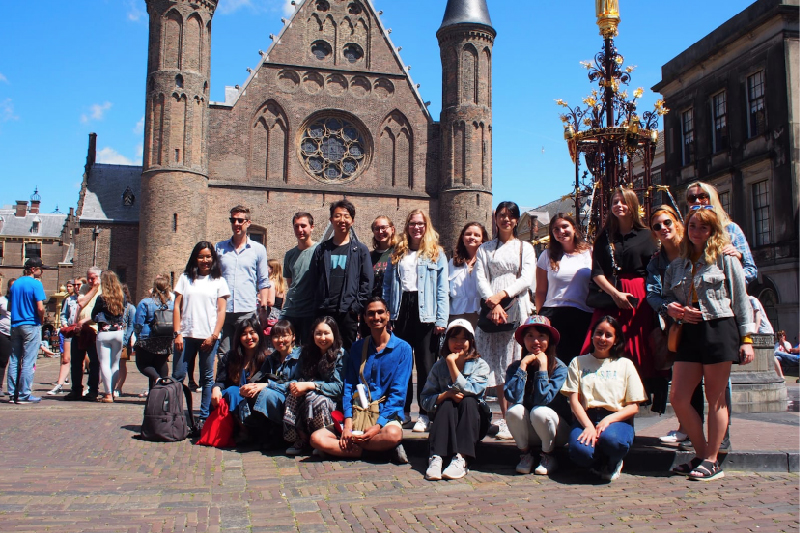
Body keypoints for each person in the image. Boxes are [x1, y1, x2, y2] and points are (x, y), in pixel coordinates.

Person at [664, 207, 755, 481]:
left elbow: (740, 298)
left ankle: (713, 460)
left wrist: (747, 339)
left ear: (713, 230)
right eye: (692, 226)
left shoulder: (725, 259)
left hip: (718, 327)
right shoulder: (677, 264)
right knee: (678, 397)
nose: (696, 231)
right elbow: (667, 295)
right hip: (689, 331)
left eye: (703, 227)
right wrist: (674, 309)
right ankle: (703, 454)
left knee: (715, 398)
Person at [309, 297, 412, 463]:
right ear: (364, 318)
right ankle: (374, 451)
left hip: (385, 418)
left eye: (380, 312)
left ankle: (349, 449)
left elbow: (398, 394)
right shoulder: (358, 347)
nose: (376, 317)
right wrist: (348, 425)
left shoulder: (403, 348)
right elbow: (348, 386)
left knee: (393, 435)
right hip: (357, 414)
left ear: (388, 315)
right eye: (371, 313)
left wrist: (377, 426)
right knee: (316, 438)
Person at [474, 201, 536, 440]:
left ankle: (517, 416)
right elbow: (480, 277)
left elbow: (526, 278)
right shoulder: (485, 248)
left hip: (515, 304)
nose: (506, 220)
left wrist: (502, 296)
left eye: (511, 216)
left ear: (516, 220)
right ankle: (505, 414)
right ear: (495, 218)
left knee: (514, 359)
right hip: (491, 307)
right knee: (497, 363)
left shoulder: (525, 247)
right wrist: (492, 302)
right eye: (502, 215)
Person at [384, 210, 449, 433]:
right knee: (401, 366)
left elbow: (442, 289)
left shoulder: (436, 253)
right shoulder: (398, 251)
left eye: (421, 224)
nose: (416, 227)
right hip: (401, 310)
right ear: (407, 226)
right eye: (413, 223)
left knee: (425, 367)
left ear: (426, 226)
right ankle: (401, 412)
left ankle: (424, 413)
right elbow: (387, 286)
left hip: (426, 314)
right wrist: (387, 315)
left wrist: (441, 319)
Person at [582, 187, 658, 381]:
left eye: (623, 202)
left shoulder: (647, 235)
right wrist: (615, 294)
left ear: (632, 205)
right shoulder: (603, 238)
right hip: (610, 293)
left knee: (635, 340)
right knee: (601, 336)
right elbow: (597, 273)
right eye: (615, 202)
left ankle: (637, 387)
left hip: (637, 293)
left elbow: (654, 269)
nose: (618, 206)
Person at [562, 316, 647, 482]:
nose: (602, 338)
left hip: (616, 419)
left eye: (608, 335)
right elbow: (574, 401)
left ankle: (614, 461)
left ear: (616, 340)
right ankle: (599, 462)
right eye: (599, 333)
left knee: (613, 441)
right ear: (592, 335)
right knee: (580, 452)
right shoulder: (578, 362)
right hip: (586, 418)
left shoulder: (625, 364)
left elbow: (634, 407)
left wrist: (609, 419)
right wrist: (588, 426)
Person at [420, 319, 489, 480]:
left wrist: (451, 364)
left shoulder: (481, 365)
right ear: (447, 341)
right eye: (454, 338)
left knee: (468, 400)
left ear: (471, 341)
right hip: (446, 420)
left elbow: (471, 391)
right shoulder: (439, 366)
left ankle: (462, 458)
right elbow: (425, 399)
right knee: (447, 400)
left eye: (463, 338)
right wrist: (445, 395)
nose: (458, 343)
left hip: (473, 420)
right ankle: (436, 458)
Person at [173, 241, 231, 429]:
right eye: (201, 256)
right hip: (186, 335)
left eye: (208, 256)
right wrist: (177, 333)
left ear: (213, 258)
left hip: (208, 336)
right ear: (195, 258)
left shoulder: (219, 281)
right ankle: (175, 414)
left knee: (207, 378)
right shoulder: (185, 278)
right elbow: (176, 307)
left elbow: (221, 311)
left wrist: (214, 335)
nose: (205, 260)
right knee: (178, 376)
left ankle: (203, 418)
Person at [644, 206, 690, 441]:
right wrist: (666, 307)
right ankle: (686, 429)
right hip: (676, 325)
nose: (663, 228)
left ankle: (719, 435)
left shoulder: (693, 249)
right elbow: (652, 294)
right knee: (682, 379)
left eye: (667, 223)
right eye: (657, 226)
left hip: (702, 320)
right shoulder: (656, 263)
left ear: (677, 223)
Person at [505, 315, 570, 476]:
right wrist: (523, 367)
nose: (536, 341)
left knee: (539, 411)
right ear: (523, 340)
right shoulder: (516, 367)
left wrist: (542, 367)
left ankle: (548, 456)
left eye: (541, 336)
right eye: (530, 336)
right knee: (514, 411)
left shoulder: (559, 368)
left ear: (549, 340)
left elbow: (543, 400)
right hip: (531, 430)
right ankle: (525, 454)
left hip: (557, 431)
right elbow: (513, 397)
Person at [309, 199, 373, 349]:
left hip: (347, 313)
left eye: (346, 216)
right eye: (337, 216)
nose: (342, 220)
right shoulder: (322, 249)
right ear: (331, 220)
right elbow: (313, 279)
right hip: (324, 310)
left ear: (352, 220)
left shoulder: (360, 250)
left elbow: (367, 282)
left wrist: (355, 308)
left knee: (347, 352)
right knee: (322, 350)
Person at [534, 213, 593, 365]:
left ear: (573, 228)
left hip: (582, 313)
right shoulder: (547, 255)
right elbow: (540, 291)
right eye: (556, 229)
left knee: (578, 361)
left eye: (565, 226)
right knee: (554, 363)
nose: (561, 232)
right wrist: (541, 317)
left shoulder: (590, 252)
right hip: (553, 313)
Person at [283, 316, 346, 455]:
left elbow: (339, 388)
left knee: (316, 399)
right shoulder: (306, 353)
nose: (322, 337)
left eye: (326, 333)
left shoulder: (340, 355)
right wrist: (297, 386)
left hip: (332, 401)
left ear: (334, 334)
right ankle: (301, 439)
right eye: (318, 333)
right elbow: (299, 378)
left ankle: (324, 439)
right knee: (293, 395)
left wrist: (311, 386)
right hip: (307, 394)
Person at [215, 205, 272, 357]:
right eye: (233, 220)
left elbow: (263, 280)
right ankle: (224, 380)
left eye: (240, 220)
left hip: (246, 309)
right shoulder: (220, 248)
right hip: (224, 309)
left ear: (248, 222)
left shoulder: (258, 249)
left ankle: (246, 381)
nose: (236, 224)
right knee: (224, 352)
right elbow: (214, 278)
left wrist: (263, 309)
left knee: (247, 350)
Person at [210, 316, 277, 443]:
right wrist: (216, 388)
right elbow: (221, 381)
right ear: (238, 338)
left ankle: (252, 430)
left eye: (252, 333)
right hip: (233, 401)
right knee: (233, 391)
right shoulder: (231, 357)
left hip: (255, 401)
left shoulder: (268, 358)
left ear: (259, 334)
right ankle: (243, 429)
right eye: (244, 334)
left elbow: (274, 381)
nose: (249, 338)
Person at [247, 319, 302, 443]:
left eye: (284, 336)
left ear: (293, 337)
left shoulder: (300, 357)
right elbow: (259, 378)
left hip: (293, 399)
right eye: (276, 336)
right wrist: (249, 386)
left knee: (266, 394)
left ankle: (276, 433)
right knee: (251, 391)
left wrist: (268, 385)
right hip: (275, 397)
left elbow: (297, 383)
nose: (280, 340)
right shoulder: (271, 358)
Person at [7, 258, 47, 404]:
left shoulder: (15, 284)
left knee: (14, 359)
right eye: (40, 269)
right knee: (29, 361)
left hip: (15, 324)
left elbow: (9, 307)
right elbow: (40, 308)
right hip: (31, 323)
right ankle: (24, 394)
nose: (41, 272)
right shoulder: (36, 284)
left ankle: (12, 394)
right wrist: (41, 320)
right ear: (33, 269)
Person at [64, 267, 102, 401]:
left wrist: (97, 288)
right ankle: (76, 390)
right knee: (76, 361)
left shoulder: (103, 290)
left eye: (94, 278)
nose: (91, 281)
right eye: (89, 278)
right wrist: (93, 289)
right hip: (79, 330)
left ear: (99, 277)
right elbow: (81, 302)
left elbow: (100, 312)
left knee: (94, 362)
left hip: (94, 330)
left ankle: (93, 390)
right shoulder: (85, 288)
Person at [281, 212, 319, 345]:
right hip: (290, 311)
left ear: (312, 227)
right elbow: (291, 284)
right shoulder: (290, 255)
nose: (299, 230)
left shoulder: (319, 251)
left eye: (303, 226)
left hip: (310, 312)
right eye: (296, 226)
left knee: (307, 351)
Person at [134, 274, 175, 396]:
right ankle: (159, 395)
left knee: (143, 365)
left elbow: (138, 323)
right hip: (166, 338)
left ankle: (157, 379)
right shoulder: (172, 304)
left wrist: (137, 337)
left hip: (148, 339)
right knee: (161, 364)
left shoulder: (145, 302)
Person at [91, 270, 127, 403]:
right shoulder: (121, 296)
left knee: (104, 363)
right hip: (118, 332)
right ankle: (112, 391)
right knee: (115, 363)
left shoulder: (101, 298)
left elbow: (93, 316)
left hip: (105, 332)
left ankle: (108, 394)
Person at [448, 222, 489, 329]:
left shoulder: (487, 262)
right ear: (462, 237)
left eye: (476, 235)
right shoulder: (452, 263)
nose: (472, 237)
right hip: (456, 313)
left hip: (480, 314)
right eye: (468, 234)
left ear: (482, 240)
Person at [49, 279, 80, 395]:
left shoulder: (88, 299)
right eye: (74, 285)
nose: (76, 287)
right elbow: (63, 315)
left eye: (78, 285)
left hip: (82, 332)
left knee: (80, 360)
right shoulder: (69, 300)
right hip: (70, 330)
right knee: (65, 358)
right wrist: (65, 325)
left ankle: (78, 386)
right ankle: (60, 384)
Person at [370, 215, 398, 299]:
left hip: (393, 302)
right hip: (374, 304)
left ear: (392, 229)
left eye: (383, 228)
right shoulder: (369, 256)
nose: (380, 231)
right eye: (377, 228)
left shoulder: (399, 253)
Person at [0, 278, 14, 397]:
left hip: (17, 333)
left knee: (16, 362)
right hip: (4, 333)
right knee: (2, 360)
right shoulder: (2, 300)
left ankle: (14, 388)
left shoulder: (20, 300)